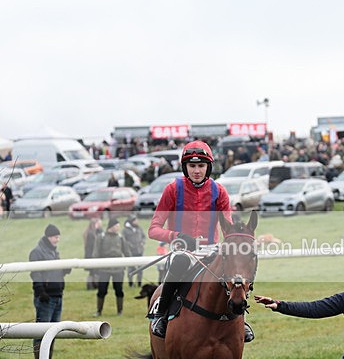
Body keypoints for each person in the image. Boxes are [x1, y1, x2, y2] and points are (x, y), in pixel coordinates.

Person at [148, 140, 239, 339]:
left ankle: (242, 321)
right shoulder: (172, 190)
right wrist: (177, 236)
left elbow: (228, 229)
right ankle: (161, 315)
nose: (196, 171)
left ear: (208, 167)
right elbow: (153, 230)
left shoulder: (219, 191)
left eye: (201, 166)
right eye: (192, 166)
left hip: (211, 250)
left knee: (235, 271)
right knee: (180, 261)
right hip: (183, 252)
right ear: (184, 167)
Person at [29, 224, 70, 359]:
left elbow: (54, 271)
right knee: (41, 331)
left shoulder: (54, 252)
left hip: (57, 295)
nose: (57, 239)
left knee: (53, 331)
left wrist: (65, 269)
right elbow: (36, 274)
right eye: (55, 237)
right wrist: (41, 291)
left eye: (58, 237)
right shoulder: (37, 252)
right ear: (48, 236)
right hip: (45, 297)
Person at [92, 218, 130, 316]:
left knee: (119, 290)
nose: (118, 228)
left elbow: (127, 252)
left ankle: (120, 311)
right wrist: (95, 268)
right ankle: (98, 310)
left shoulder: (121, 237)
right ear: (111, 226)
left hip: (118, 269)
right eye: (117, 226)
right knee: (102, 290)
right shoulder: (101, 237)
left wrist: (131, 264)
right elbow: (96, 253)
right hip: (104, 268)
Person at [123, 214, 146, 287]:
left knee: (140, 269)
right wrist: (129, 245)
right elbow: (123, 240)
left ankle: (139, 283)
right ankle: (131, 284)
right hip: (131, 252)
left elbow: (144, 236)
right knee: (130, 269)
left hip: (139, 251)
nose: (137, 221)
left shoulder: (139, 228)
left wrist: (143, 242)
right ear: (131, 221)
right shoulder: (125, 230)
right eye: (135, 220)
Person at [82, 216, 104, 290]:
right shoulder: (91, 234)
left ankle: (91, 285)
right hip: (91, 255)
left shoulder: (90, 232)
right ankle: (92, 285)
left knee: (92, 272)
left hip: (89, 255)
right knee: (94, 272)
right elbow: (93, 246)